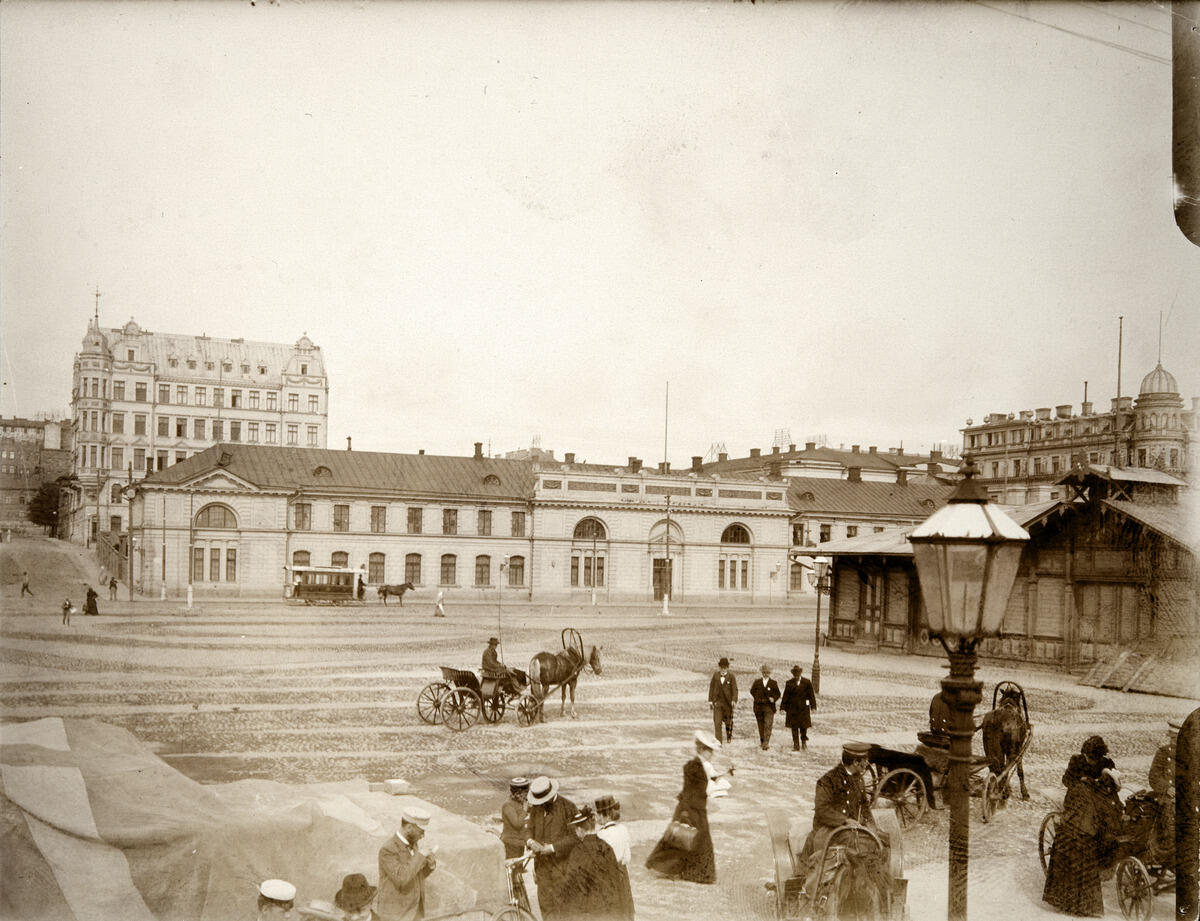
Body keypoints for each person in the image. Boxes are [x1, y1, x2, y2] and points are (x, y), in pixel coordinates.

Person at [798, 742, 883, 895]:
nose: (867, 764)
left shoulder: (858, 779)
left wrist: (872, 826)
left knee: (881, 845)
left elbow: (864, 806)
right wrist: (844, 820)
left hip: (852, 830)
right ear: (855, 762)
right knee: (821, 862)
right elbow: (822, 810)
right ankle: (809, 895)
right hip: (829, 830)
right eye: (864, 761)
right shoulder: (828, 781)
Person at [1043, 764, 1120, 916]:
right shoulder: (1102, 797)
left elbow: (1067, 806)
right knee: (1086, 863)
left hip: (1065, 834)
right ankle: (1082, 907)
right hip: (1083, 837)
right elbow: (1108, 821)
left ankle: (1062, 901)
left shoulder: (1081, 787)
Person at [644, 729, 718, 884]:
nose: (712, 754)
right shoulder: (694, 767)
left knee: (683, 838)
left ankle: (691, 871)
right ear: (702, 750)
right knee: (691, 839)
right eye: (709, 751)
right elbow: (691, 790)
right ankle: (698, 873)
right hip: (691, 809)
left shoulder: (700, 766)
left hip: (693, 807)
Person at [559, 806, 635, 921]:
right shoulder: (606, 846)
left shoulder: (578, 850)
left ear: (579, 830)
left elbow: (570, 882)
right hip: (608, 906)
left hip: (588, 909)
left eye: (575, 830)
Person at [526, 775, 579, 921]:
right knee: (545, 906)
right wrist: (530, 842)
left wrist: (552, 848)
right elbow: (529, 829)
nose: (541, 804)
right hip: (542, 868)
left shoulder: (569, 807)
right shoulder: (536, 808)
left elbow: (576, 837)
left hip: (562, 868)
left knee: (563, 909)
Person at [377, 807, 437, 921]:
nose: (422, 836)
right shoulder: (387, 849)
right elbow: (401, 878)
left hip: (414, 912)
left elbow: (415, 876)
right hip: (396, 915)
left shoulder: (414, 844)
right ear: (409, 828)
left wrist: (430, 865)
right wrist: (420, 856)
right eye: (421, 831)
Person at [780, 665, 817, 751]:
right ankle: (796, 745)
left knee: (804, 727)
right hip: (792, 709)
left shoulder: (807, 682)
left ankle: (803, 742)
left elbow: (811, 695)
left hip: (803, 709)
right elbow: (785, 696)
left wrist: (813, 707)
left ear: (800, 673)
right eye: (795, 674)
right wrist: (783, 708)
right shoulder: (789, 683)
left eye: (798, 674)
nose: (796, 676)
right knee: (794, 727)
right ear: (793, 674)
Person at [750, 664, 781, 751]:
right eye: (764, 672)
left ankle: (766, 743)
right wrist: (757, 698)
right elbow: (752, 691)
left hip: (769, 707)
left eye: (767, 672)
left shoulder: (773, 683)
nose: (765, 674)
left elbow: (778, 693)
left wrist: (773, 698)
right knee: (761, 725)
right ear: (762, 673)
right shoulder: (757, 682)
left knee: (768, 724)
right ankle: (762, 740)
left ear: (770, 673)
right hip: (758, 707)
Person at [707, 658, 738, 745]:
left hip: (728, 704)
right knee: (717, 723)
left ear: (727, 667)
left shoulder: (731, 676)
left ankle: (729, 736)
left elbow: (735, 689)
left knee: (728, 723)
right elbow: (711, 688)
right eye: (721, 667)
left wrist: (734, 700)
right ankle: (718, 742)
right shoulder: (715, 676)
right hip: (717, 703)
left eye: (725, 667)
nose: (723, 669)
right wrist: (710, 701)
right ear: (719, 667)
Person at [501, 776, 531, 859]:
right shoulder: (508, 805)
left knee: (519, 868)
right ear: (517, 793)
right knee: (514, 868)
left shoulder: (520, 802)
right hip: (510, 842)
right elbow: (517, 824)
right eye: (525, 793)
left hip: (520, 842)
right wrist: (525, 809)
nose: (526, 796)